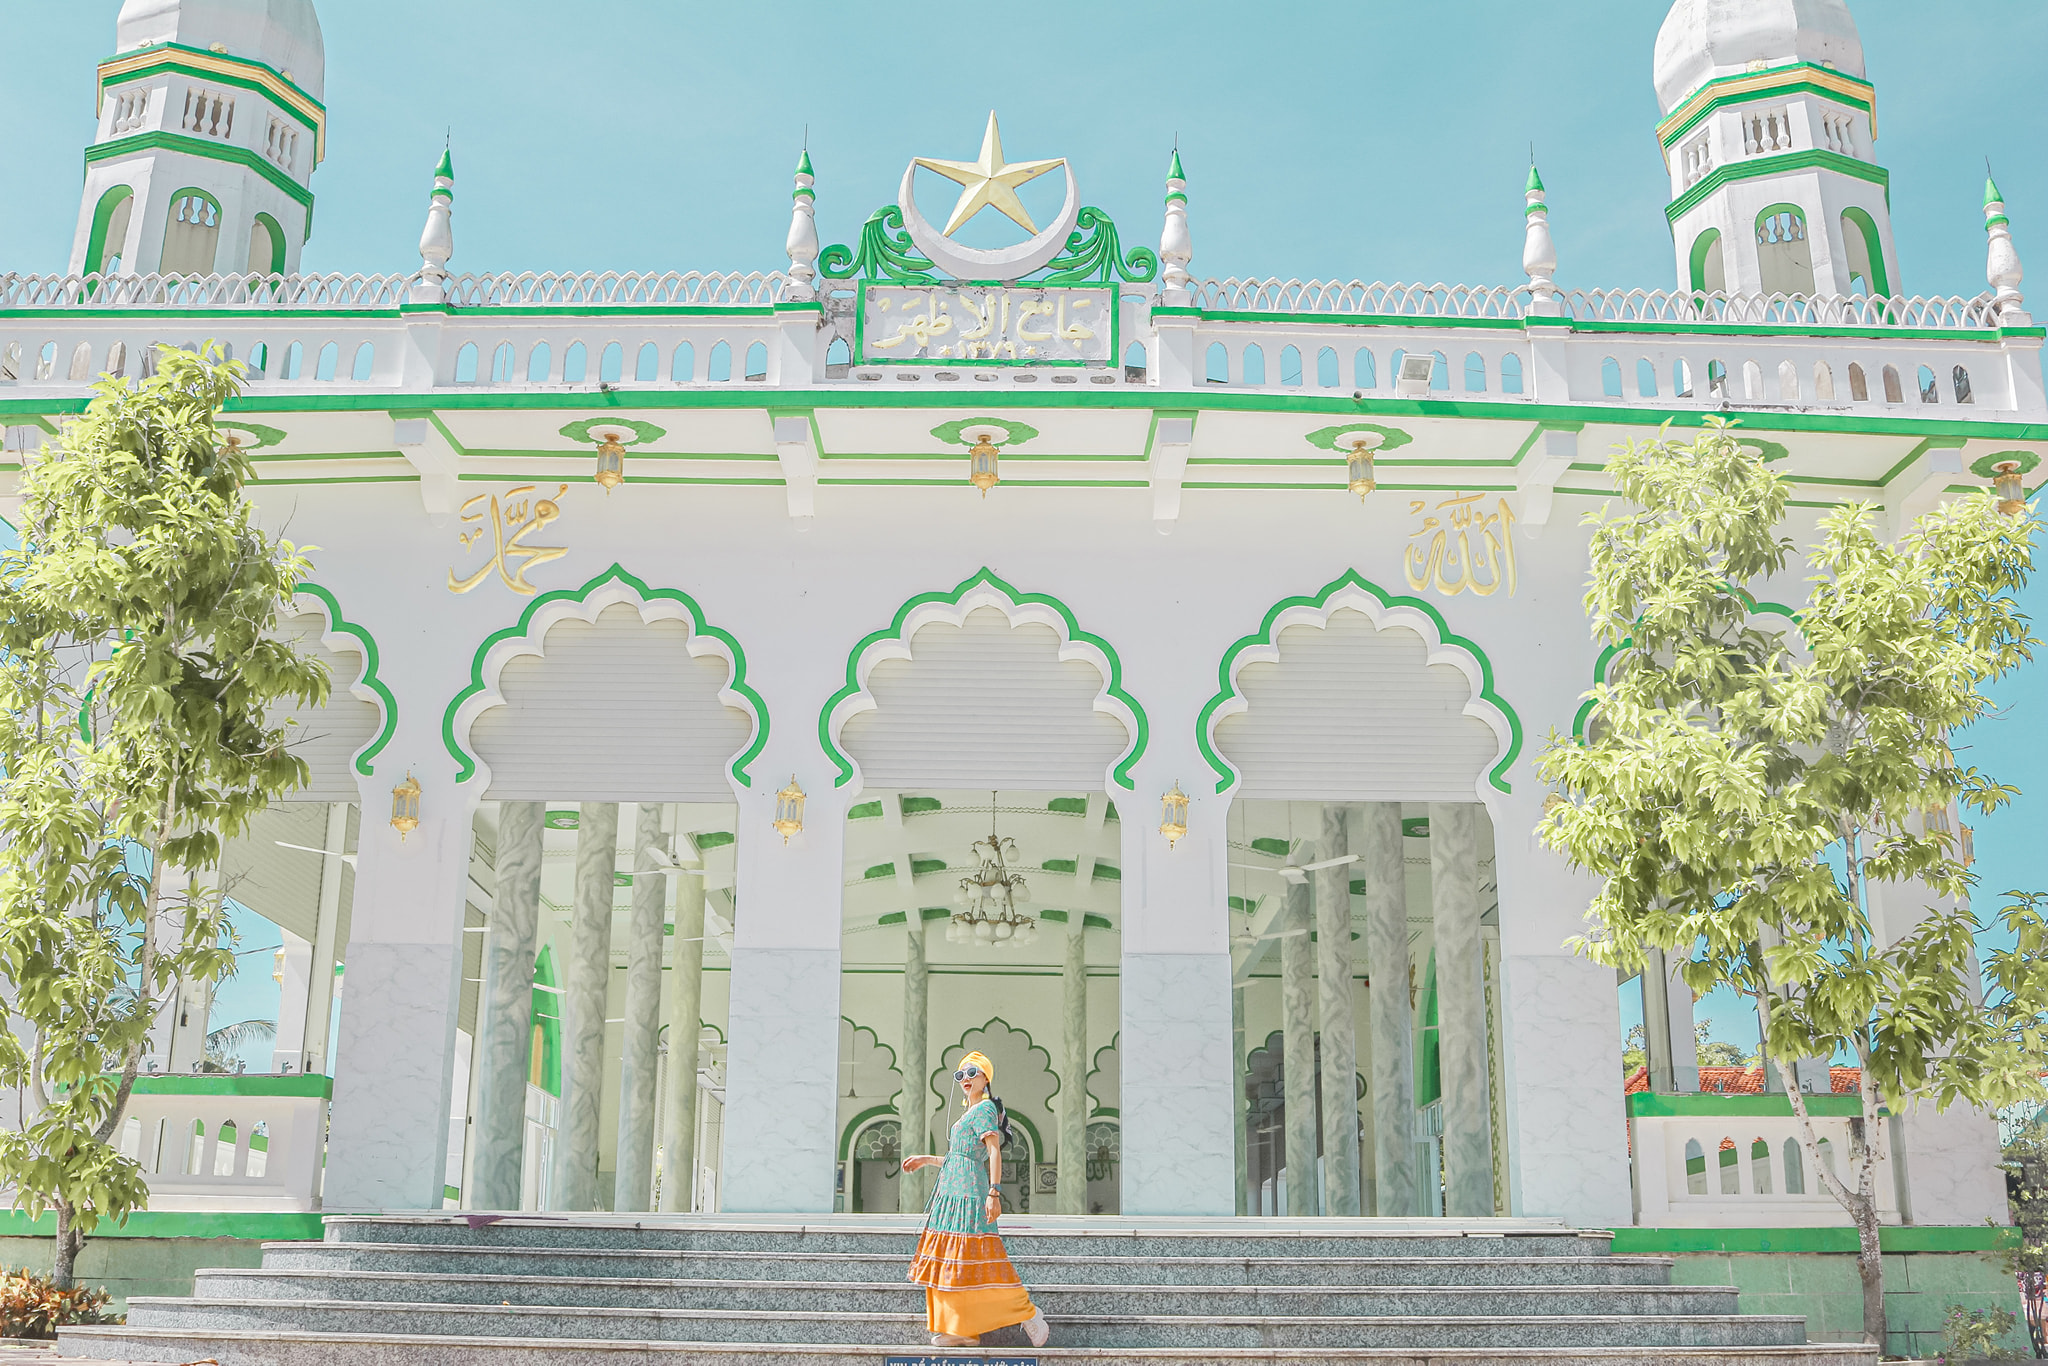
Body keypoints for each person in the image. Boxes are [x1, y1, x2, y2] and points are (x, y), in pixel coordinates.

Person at [900, 1051, 1051, 1348]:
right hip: (951, 1195)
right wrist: (925, 1160)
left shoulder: (984, 1110)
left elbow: (994, 1152)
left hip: (970, 1194)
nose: (966, 1079)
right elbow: (959, 1156)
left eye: (972, 1073)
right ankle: (961, 1329)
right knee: (951, 1261)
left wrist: (994, 1192)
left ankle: (1028, 1314)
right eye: (960, 1075)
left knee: (975, 1258)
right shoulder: (967, 1114)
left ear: (986, 1077)